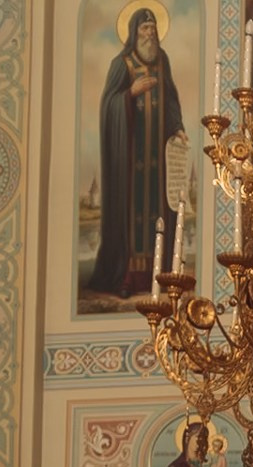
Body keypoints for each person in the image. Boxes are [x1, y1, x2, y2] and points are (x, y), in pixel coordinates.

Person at [85, 7, 185, 301]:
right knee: (132, 216)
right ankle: (127, 276)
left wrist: (178, 126)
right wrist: (129, 94)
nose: (150, 33)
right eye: (145, 29)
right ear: (133, 32)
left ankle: (161, 272)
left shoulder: (162, 61)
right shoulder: (122, 64)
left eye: (153, 28)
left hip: (159, 159)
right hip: (129, 160)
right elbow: (108, 105)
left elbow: (171, 98)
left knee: (159, 211)